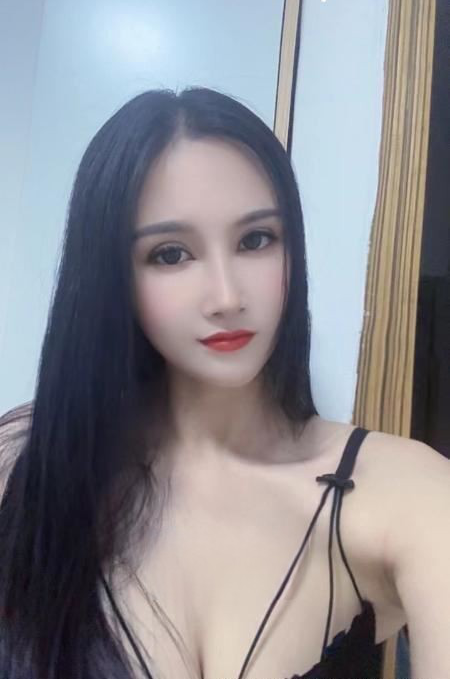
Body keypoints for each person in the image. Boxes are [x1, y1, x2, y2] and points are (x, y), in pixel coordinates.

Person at [0, 87, 448, 679]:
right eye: (170, 254)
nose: (227, 296)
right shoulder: (26, 463)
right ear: (112, 276)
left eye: (256, 240)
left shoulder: (409, 494)